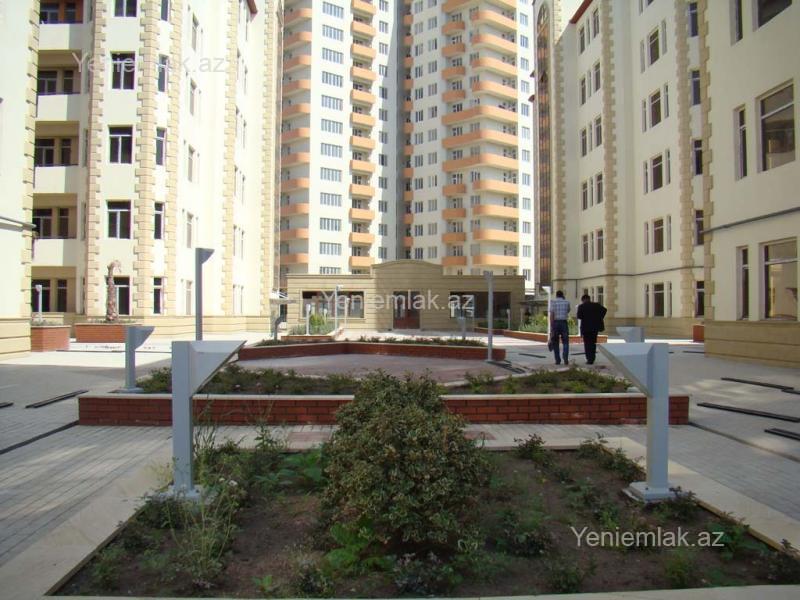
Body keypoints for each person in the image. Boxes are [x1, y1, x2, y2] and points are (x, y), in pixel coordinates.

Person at [576, 294, 607, 365]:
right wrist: (599, 317)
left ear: (583, 300)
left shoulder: (581, 306)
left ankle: (589, 359)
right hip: (594, 328)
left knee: (587, 343)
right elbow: (605, 310)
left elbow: (579, 316)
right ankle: (592, 358)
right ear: (589, 299)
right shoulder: (596, 305)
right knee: (593, 343)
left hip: (586, 328)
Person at [549, 290, 571, 365]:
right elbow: (568, 311)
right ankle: (565, 357)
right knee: (565, 341)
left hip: (555, 323)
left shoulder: (553, 302)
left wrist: (552, 326)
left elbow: (552, 315)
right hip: (564, 322)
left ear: (556, 295)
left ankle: (557, 360)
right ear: (562, 295)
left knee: (555, 342)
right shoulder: (567, 302)